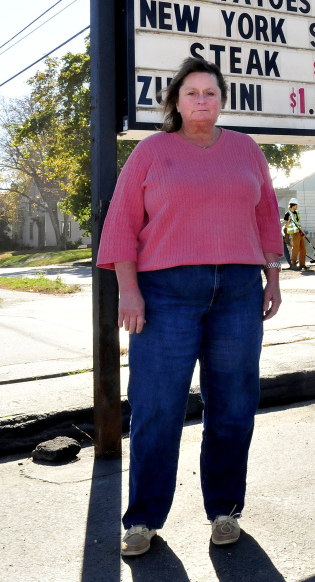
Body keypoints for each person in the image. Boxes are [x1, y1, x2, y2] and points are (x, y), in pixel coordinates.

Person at [97, 56, 283, 557]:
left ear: (222, 100)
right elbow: (120, 224)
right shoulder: (151, 152)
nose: (202, 100)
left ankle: (225, 510)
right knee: (157, 408)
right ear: (175, 102)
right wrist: (128, 290)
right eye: (192, 92)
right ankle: (142, 521)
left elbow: (266, 215)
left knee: (233, 405)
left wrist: (273, 277)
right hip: (164, 295)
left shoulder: (245, 150)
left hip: (240, 293)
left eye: (211, 92)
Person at [283, 198, 307, 270]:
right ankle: (293, 264)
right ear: (293, 205)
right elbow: (286, 226)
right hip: (294, 234)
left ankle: (302, 264)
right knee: (295, 249)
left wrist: (302, 232)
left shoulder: (297, 213)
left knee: (303, 249)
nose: (297, 206)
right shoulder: (287, 214)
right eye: (296, 205)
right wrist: (289, 220)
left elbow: (299, 223)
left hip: (299, 233)